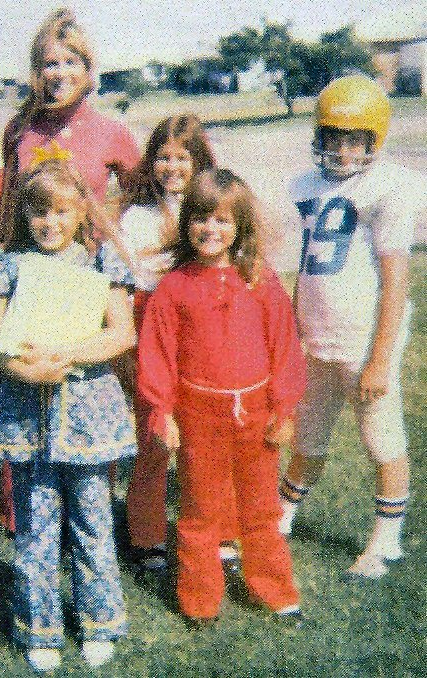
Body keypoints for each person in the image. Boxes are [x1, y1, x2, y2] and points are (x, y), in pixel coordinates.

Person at [0, 160, 137, 672]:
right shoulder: (6, 264)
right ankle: (39, 627)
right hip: (28, 414)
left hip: (88, 410)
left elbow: (121, 333)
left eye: (62, 212)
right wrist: (23, 369)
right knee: (36, 523)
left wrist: (68, 354)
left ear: (81, 210)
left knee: (93, 518)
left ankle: (100, 620)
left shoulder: (101, 262)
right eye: (40, 212)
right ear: (25, 214)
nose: (51, 223)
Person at [0, 8, 140, 532]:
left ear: (87, 68)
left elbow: (140, 195)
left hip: (88, 277)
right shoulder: (19, 130)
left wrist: (110, 229)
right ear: (36, 70)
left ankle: (95, 503)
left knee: (89, 388)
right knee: (29, 379)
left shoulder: (112, 132)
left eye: (70, 61)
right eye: (48, 63)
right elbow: (9, 203)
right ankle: (20, 510)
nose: (58, 73)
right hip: (31, 271)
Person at [137, 169, 306, 625]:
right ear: (187, 221)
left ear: (240, 226)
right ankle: (199, 598)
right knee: (199, 508)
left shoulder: (260, 280)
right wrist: (163, 413)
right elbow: (157, 354)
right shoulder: (173, 288)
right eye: (201, 218)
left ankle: (273, 587)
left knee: (259, 506)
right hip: (199, 415)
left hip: (256, 412)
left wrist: (284, 408)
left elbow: (285, 346)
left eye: (223, 220)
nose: (211, 230)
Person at [278, 76, 421, 579]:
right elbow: (305, 267)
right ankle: (284, 513)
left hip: (363, 343)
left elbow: (396, 280)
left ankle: (387, 540)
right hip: (317, 337)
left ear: (374, 140)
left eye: (354, 138)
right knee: (308, 437)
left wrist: (381, 358)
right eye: (334, 136)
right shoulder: (306, 186)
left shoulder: (390, 185)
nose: (342, 149)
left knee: (381, 440)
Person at [112, 114, 240, 572]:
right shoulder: (139, 214)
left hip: (203, 323)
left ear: (199, 161)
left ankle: (220, 531)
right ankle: (145, 535)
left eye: (182, 158)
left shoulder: (212, 205)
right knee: (154, 433)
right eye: (163, 157)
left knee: (207, 434)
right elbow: (129, 279)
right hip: (153, 320)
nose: (171, 167)